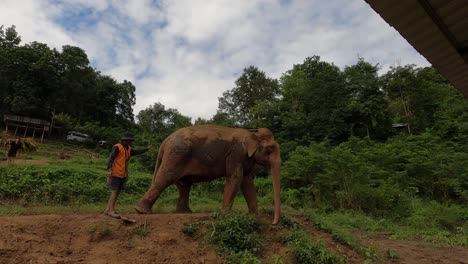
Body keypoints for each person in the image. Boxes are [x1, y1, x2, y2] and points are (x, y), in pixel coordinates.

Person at [104, 132, 154, 218]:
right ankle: (111, 211)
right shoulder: (117, 147)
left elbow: (137, 151)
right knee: (114, 191)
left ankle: (108, 209)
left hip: (122, 174)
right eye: (130, 140)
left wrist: (147, 149)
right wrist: (109, 169)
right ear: (125, 140)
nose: (131, 142)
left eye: (131, 141)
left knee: (117, 192)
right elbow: (111, 158)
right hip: (115, 172)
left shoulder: (128, 149)